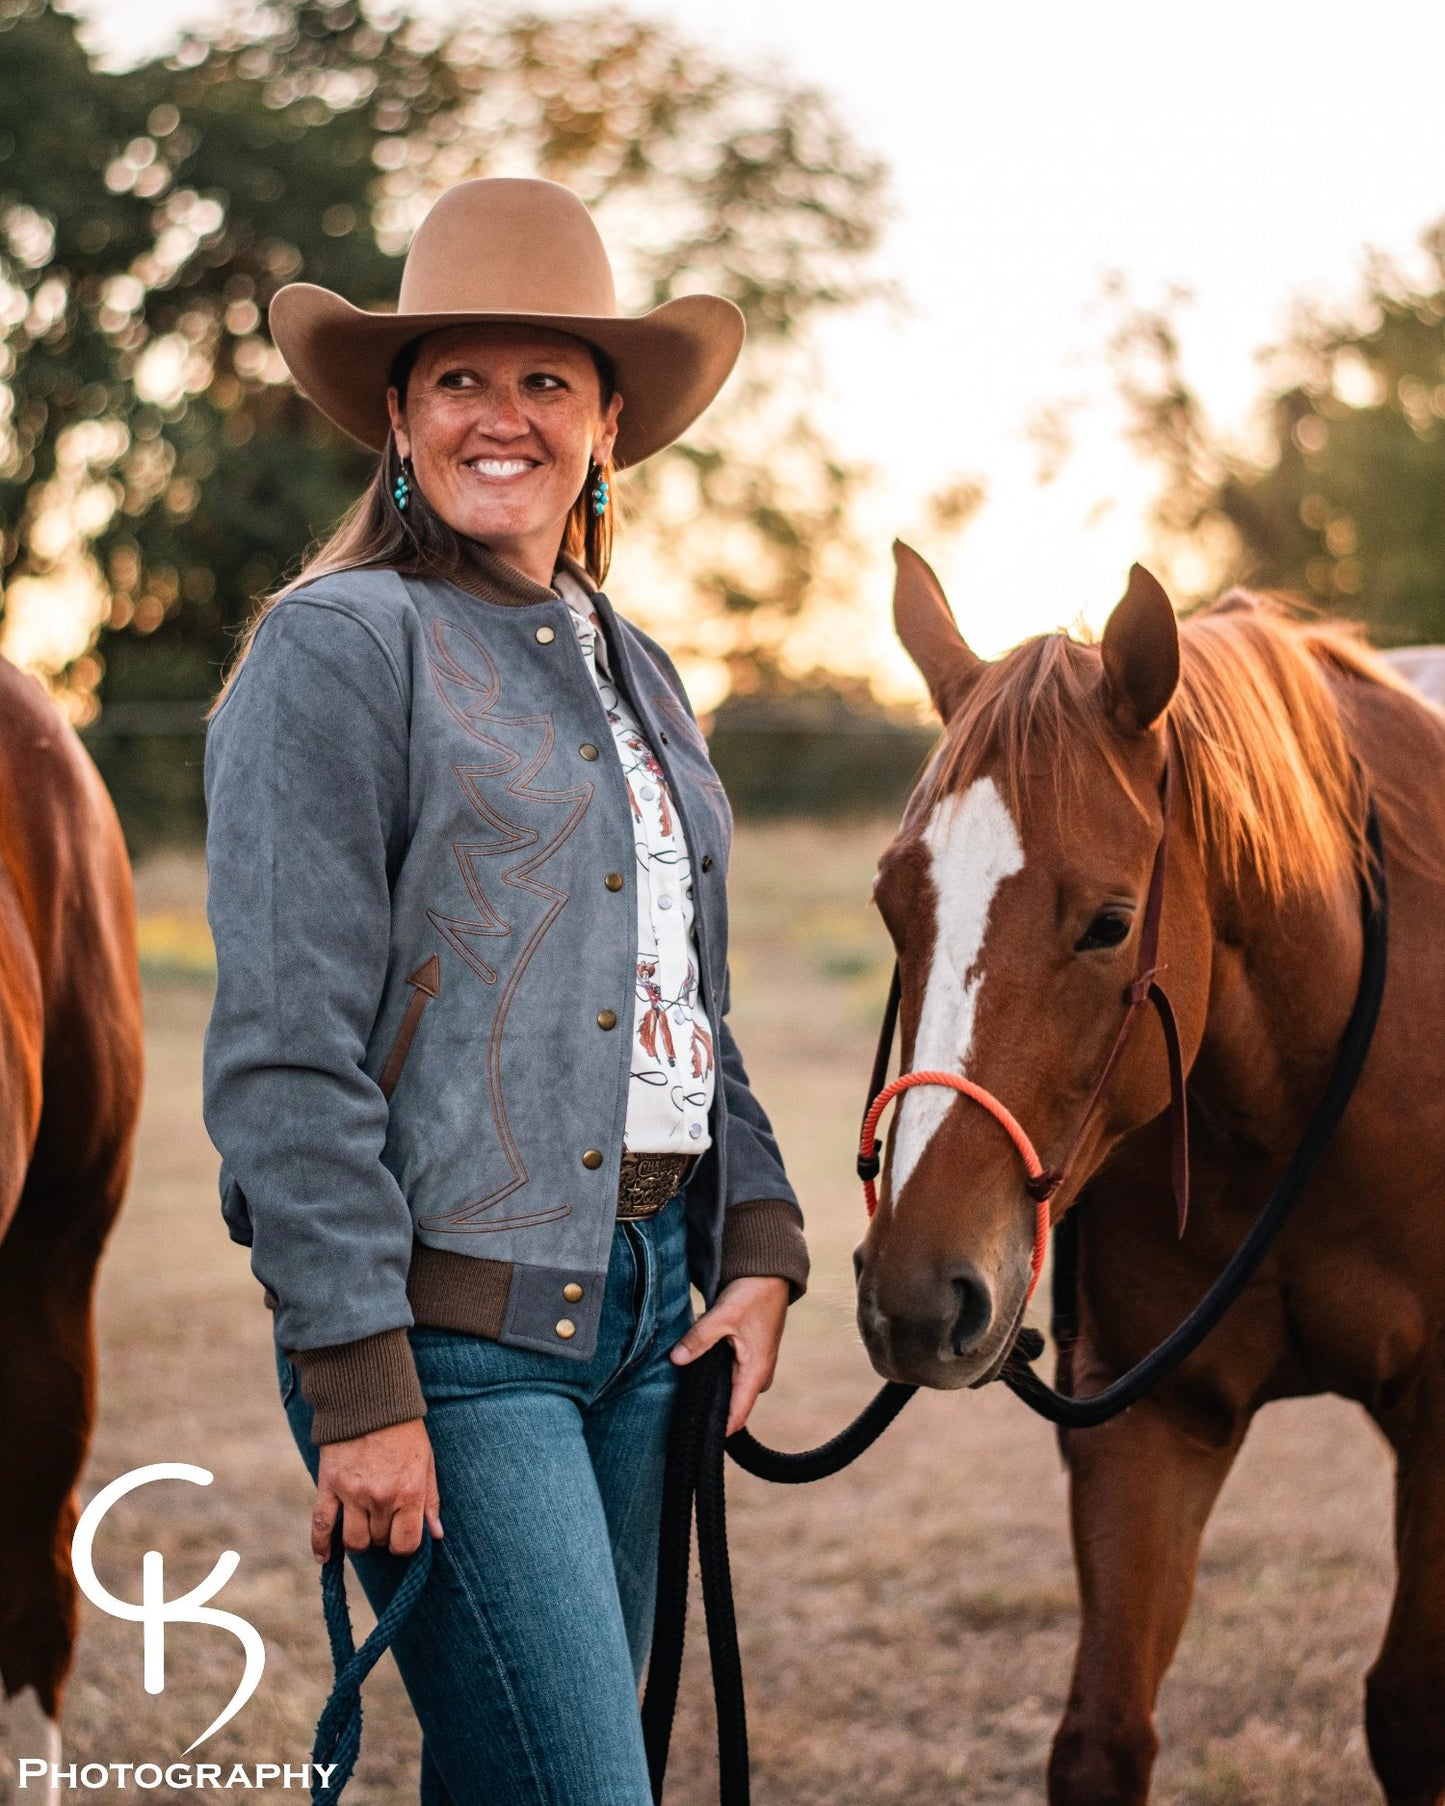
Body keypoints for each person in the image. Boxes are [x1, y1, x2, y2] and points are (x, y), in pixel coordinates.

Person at [200, 176, 809, 1805]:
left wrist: (752, 1248)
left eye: (548, 381)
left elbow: (684, 990)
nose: (504, 417)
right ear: (397, 416)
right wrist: (359, 1383)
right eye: (461, 377)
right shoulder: (337, 649)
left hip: (640, 1318)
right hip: (452, 1342)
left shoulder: (640, 665)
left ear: (606, 424)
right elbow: (281, 1058)